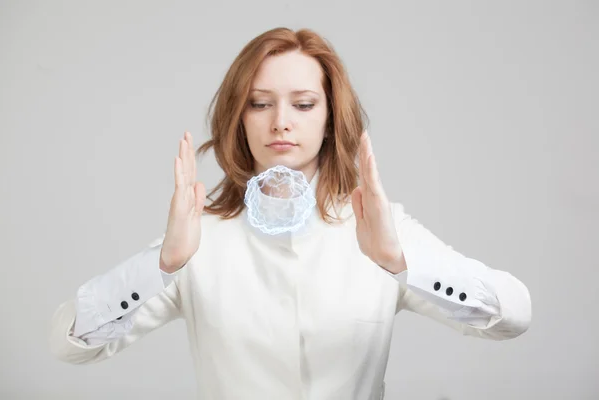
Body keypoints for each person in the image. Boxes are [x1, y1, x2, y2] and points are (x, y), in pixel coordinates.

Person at [49, 27, 531, 399]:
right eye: (260, 103)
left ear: (328, 119)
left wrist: (401, 261)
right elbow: (70, 342)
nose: (281, 120)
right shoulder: (199, 240)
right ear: (239, 117)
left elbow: (513, 315)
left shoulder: (380, 230)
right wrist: (162, 266)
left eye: (302, 104)